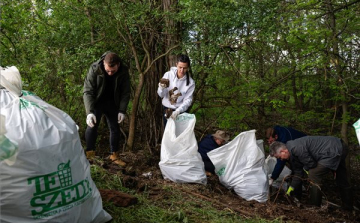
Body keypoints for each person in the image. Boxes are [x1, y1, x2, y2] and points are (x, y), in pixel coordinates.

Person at [269, 136, 353, 210]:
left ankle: (315, 206)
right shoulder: (292, 153)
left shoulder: (296, 148)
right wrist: (291, 188)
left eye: (279, 157)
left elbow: (311, 164)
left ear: (283, 151)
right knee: (341, 178)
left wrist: (306, 169)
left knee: (313, 174)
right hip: (337, 147)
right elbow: (298, 173)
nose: (281, 159)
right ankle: (348, 206)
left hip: (333, 150)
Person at [83, 52, 130, 166]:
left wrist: (122, 110)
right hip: (97, 102)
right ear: (104, 63)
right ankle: (90, 155)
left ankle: (114, 155)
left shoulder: (123, 71)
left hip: (113, 102)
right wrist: (89, 112)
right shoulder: (95, 69)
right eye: (107, 70)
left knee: (115, 128)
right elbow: (88, 91)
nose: (109, 73)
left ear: (118, 65)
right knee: (92, 126)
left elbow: (125, 92)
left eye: (112, 71)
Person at [157, 54, 195, 126]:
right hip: (167, 109)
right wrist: (161, 88)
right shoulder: (168, 75)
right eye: (180, 67)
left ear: (188, 67)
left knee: (179, 135)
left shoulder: (191, 82)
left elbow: (188, 100)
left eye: (185, 68)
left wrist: (178, 111)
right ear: (176, 64)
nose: (182, 70)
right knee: (168, 133)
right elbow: (161, 95)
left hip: (180, 111)